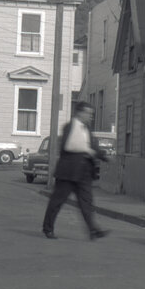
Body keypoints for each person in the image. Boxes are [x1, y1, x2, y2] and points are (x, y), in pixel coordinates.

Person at [41, 102, 108, 240]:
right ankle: (47, 228)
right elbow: (68, 146)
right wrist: (88, 151)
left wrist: (104, 156)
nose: (90, 117)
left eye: (91, 114)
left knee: (86, 202)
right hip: (68, 172)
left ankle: (93, 230)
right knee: (57, 201)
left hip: (84, 172)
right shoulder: (69, 127)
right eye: (88, 113)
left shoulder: (87, 129)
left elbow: (92, 147)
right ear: (80, 113)